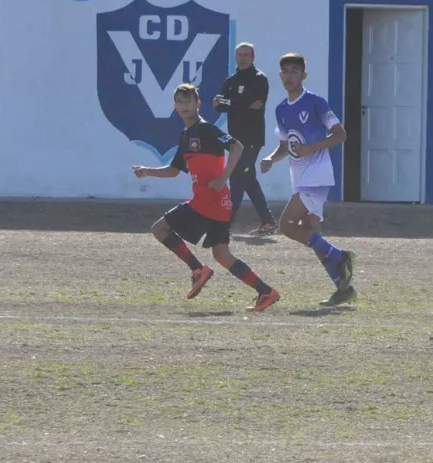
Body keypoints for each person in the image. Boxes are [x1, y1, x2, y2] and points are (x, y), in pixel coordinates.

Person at [133, 83, 280, 312]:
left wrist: (223, 178)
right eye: (180, 102)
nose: (184, 106)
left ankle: (197, 269)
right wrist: (147, 171)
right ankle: (266, 292)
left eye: (188, 101)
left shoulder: (206, 129)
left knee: (160, 229)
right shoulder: (186, 134)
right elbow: (173, 170)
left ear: (198, 104)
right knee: (222, 255)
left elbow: (237, 146)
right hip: (220, 203)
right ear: (175, 106)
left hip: (208, 201)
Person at [260, 53, 358, 307]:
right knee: (312, 234)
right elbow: (285, 145)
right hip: (299, 177)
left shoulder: (316, 102)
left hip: (317, 176)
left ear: (304, 75)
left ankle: (341, 256)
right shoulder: (281, 109)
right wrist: (271, 158)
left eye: (295, 71)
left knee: (287, 226)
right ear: (280, 76)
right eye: (285, 71)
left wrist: (312, 147)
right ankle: (343, 287)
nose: (289, 75)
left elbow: (340, 134)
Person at [213, 42, 277, 235]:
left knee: (237, 178)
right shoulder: (231, 80)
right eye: (239, 54)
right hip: (235, 139)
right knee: (248, 180)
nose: (242, 58)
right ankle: (268, 222)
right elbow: (217, 104)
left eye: (246, 55)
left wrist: (230, 103)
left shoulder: (259, 79)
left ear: (253, 57)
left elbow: (255, 103)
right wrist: (239, 103)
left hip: (251, 139)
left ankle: (224, 225)